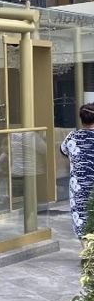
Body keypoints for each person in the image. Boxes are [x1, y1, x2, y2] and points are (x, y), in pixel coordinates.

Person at [60, 103, 94, 241]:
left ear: (81, 119)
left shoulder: (72, 136)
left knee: (82, 221)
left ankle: (87, 251)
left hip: (79, 187)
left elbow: (63, 150)